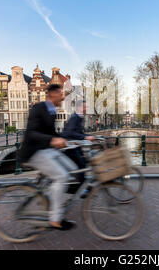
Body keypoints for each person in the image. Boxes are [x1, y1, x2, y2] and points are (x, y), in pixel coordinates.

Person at [19, 84, 78, 231]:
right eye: (61, 93)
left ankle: (52, 198)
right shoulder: (38, 108)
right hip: (34, 152)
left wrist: (68, 141)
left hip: (46, 150)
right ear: (52, 94)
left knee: (72, 169)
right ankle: (55, 219)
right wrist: (53, 141)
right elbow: (31, 133)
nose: (63, 96)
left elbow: (51, 132)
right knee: (62, 176)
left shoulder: (52, 111)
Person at [62, 100, 95, 195]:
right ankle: (79, 189)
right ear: (79, 107)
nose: (86, 109)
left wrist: (92, 136)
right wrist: (85, 137)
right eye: (84, 107)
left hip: (75, 146)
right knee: (81, 166)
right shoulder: (74, 118)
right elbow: (70, 133)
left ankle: (83, 186)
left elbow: (80, 133)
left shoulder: (78, 118)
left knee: (83, 164)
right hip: (70, 148)